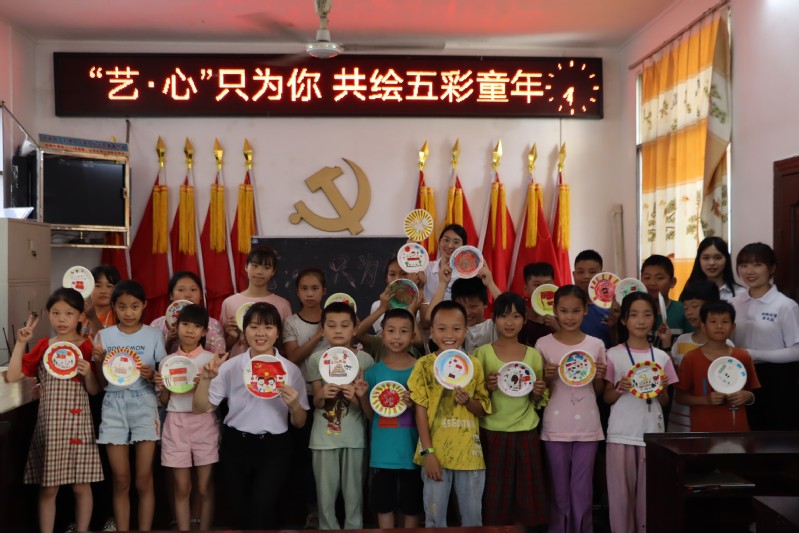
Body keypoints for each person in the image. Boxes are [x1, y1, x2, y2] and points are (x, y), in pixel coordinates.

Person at [193, 302, 308, 530]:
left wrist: (295, 405)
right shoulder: (230, 367)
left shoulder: (290, 370)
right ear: (244, 331)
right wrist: (205, 380)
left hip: (275, 447)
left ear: (278, 332)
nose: (260, 333)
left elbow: (300, 422)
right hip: (237, 445)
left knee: (263, 505)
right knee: (240, 509)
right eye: (254, 327)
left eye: (268, 327)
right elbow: (200, 408)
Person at [6, 289, 103, 533]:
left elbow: (94, 391)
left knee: (81, 485)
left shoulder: (87, 347)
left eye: (69, 313)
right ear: (48, 314)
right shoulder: (43, 346)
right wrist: (21, 342)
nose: (62, 319)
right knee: (49, 488)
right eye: (56, 313)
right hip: (51, 426)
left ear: (80, 316)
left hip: (79, 425)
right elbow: (14, 375)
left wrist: (89, 373)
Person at [408, 300, 491, 528]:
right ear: (432, 332)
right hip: (435, 454)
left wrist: (468, 401)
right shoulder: (424, 365)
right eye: (442, 329)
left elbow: (483, 408)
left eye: (456, 328)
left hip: (470, 455)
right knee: (435, 519)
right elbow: (420, 411)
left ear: (465, 330)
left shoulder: (473, 365)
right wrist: (428, 453)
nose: (449, 335)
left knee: (473, 518)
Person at [92, 280, 167, 531]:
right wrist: (99, 362)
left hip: (145, 403)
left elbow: (163, 376)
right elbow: (101, 384)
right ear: (114, 306)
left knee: (144, 479)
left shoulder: (154, 335)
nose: (128, 312)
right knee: (121, 480)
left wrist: (152, 374)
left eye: (134, 306)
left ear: (144, 305)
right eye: (122, 306)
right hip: (113, 405)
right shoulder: (103, 336)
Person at [473, 292, 549, 530]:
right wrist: (486, 386)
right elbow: (474, 397)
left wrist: (538, 391)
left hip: (525, 431)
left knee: (525, 494)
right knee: (495, 493)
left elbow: (538, 399)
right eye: (504, 316)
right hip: (492, 431)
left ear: (524, 320)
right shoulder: (482, 353)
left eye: (516, 316)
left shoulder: (533, 355)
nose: (510, 322)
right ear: (493, 319)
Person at [535, 285, 607, 533]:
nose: (569, 316)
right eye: (564, 310)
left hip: (588, 426)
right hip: (555, 427)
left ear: (586, 310)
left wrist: (599, 376)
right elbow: (538, 393)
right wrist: (546, 377)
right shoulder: (543, 344)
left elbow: (598, 391)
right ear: (554, 310)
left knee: (583, 489)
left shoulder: (596, 345)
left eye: (576, 310)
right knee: (558, 490)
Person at [604, 292, 677, 533]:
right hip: (621, 434)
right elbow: (606, 398)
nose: (641, 320)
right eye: (634, 315)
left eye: (647, 314)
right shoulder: (613, 354)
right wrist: (620, 387)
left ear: (655, 319)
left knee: (649, 497)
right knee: (621, 500)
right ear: (624, 320)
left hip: (651, 435)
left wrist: (661, 389)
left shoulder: (662, 357)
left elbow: (664, 402)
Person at [307, 302, 375, 530]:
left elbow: (367, 409)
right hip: (323, 438)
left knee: (354, 493)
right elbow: (316, 402)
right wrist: (322, 394)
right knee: (325, 495)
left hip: (354, 438)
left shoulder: (365, 360)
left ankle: (354, 527)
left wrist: (355, 397)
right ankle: (327, 527)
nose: (338, 330)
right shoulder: (316, 359)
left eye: (344, 325)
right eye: (332, 325)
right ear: (322, 329)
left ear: (355, 329)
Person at [354, 308, 423, 529]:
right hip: (382, 454)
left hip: (413, 453)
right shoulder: (373, 373)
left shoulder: (421, 370)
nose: (396, 336)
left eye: (403, 331)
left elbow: (430, 414)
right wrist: (362, 395)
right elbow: (370, 415)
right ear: (382, 335)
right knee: (383, 505)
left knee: (412, 505)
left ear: (413, 336)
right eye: (391, 331)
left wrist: (415, 405)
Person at [155, 305, 219, 531]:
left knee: (204, 486)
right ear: (177, 327)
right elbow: (164, 401)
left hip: (204, 422)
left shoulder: (212, 360)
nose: (190, 330)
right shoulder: (168, 361)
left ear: (204, 332)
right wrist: (164, 388)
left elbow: (217, 399)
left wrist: (204, 383)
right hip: (175, 423)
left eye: (197, 326)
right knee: (182, 487)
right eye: (185, 324)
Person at [729, 242, 799, 430]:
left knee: (773, 432)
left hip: (776, 378)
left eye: (757, 264)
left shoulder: (785, 305)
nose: (749, 271)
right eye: (744, 265)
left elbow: (796, 351)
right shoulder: (733, 303)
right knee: (743, 431)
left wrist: (754, 354)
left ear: (772, 268)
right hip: (739, 375)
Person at [282, 267, 329, 530]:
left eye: (315, 288)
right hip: (302, 399)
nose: (309, 293)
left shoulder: (334, 318)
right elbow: (293, 358)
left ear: (324, 291)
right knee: (306, 457)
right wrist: (319, 335)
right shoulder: (291, 322)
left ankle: (332, 509)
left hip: (332, 397)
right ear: (297, 292)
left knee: (329, 455)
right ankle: (312, 510)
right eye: (304, 288)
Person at [675, 301, 760, 432]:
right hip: (703, 431)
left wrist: (746, 396)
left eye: (725, 322)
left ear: (733, 326)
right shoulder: (691, 358)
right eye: (713, 322)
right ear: (703, 326)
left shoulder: (743, 356)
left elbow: (752, 394)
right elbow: (680, 397)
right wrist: (706, 400)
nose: (719, 326)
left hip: (737, 430)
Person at [669, 280, 723, 432]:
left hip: (711, 418)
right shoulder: (681, 341)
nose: (689, 312)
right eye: (686, 307)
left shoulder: (726, 345)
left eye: (695, 306)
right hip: (680, 419)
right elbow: (673, 376)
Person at [220, 245, 292, 357]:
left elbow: (286, 346)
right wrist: (232, 336)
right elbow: (222, 347)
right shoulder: (229, 303)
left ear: (273, 271)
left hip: (270, 363)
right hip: (239, 363)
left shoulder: (283, 305)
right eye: (254, 266)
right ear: (246, 267)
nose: (259, 272)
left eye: (266, 267)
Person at [150, 271, 226, 355]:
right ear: (171, 295)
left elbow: (220, 357)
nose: (187, 295)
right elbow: (149, 357)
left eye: (193, 290)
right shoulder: (157, 325)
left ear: (201, 295)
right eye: (181, 290)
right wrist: (167, 342)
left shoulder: (213, 325)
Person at [641, 254, 693, 350]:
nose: (652, 283)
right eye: (647, 278)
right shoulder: (634, 312)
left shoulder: (683, 312)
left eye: (659, 278)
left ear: (672, 282)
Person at [572, 250, 614, 348]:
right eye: (580, 272)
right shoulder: (566, 305)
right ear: (574, 275)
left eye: (592, 272)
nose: (586, 276)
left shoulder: (611, 306)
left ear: (602, 275)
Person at [684, 236, 742, 301]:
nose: (711, 263)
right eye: (706, 258)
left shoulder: (740, 294)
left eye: (718, 258)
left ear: (726, 260)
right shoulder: (689, 292)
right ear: (699, 260)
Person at [422, 224, 468, 303]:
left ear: (463, 247)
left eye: (456, 242)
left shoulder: (467, 275)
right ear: (439, 242)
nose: (450, 246)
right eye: (446, 240)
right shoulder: (426, 267)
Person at [519, 262, 560, 347]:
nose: (543, 289)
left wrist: (557, 329)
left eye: (547, 284)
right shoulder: (520, 320)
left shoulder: (563, 317)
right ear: (526, 288)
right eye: (537, 285)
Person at [82, 264, 120, 339]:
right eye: (98, 286)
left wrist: (92, 317)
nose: (103, 291)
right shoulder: (79, 315)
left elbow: (109, 343)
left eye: (109, 286)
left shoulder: (120, 317)